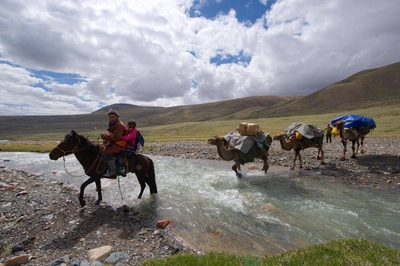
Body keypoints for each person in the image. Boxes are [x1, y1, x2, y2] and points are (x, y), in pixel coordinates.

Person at [100, 109, 127, 178]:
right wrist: (106, 140)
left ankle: (113, 171)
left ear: (117, 117)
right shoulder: (114, 124)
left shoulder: (119, 125)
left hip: (120, 144)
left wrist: (104, 137)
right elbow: (112, 135)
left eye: (113, 117)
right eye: (110, 117)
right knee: (101, 147)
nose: (111, 118)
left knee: (106, 152)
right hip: (115, 143)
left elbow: (115, 137)